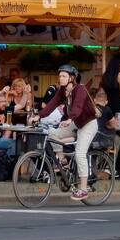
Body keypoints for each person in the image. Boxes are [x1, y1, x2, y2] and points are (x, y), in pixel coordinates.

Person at [38, 65, 98, 201]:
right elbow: (51, 104)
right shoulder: (63, 91)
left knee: (80, 153)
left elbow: (77, 106)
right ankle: (63, 161)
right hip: (76, 122)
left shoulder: (80, 89)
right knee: (53, 133)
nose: (60, 78)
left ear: (72, 78)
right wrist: (39, 115)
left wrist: (69, 118)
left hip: (88, 124)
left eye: (64, 76)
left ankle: (83, 189)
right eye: (59, 76)